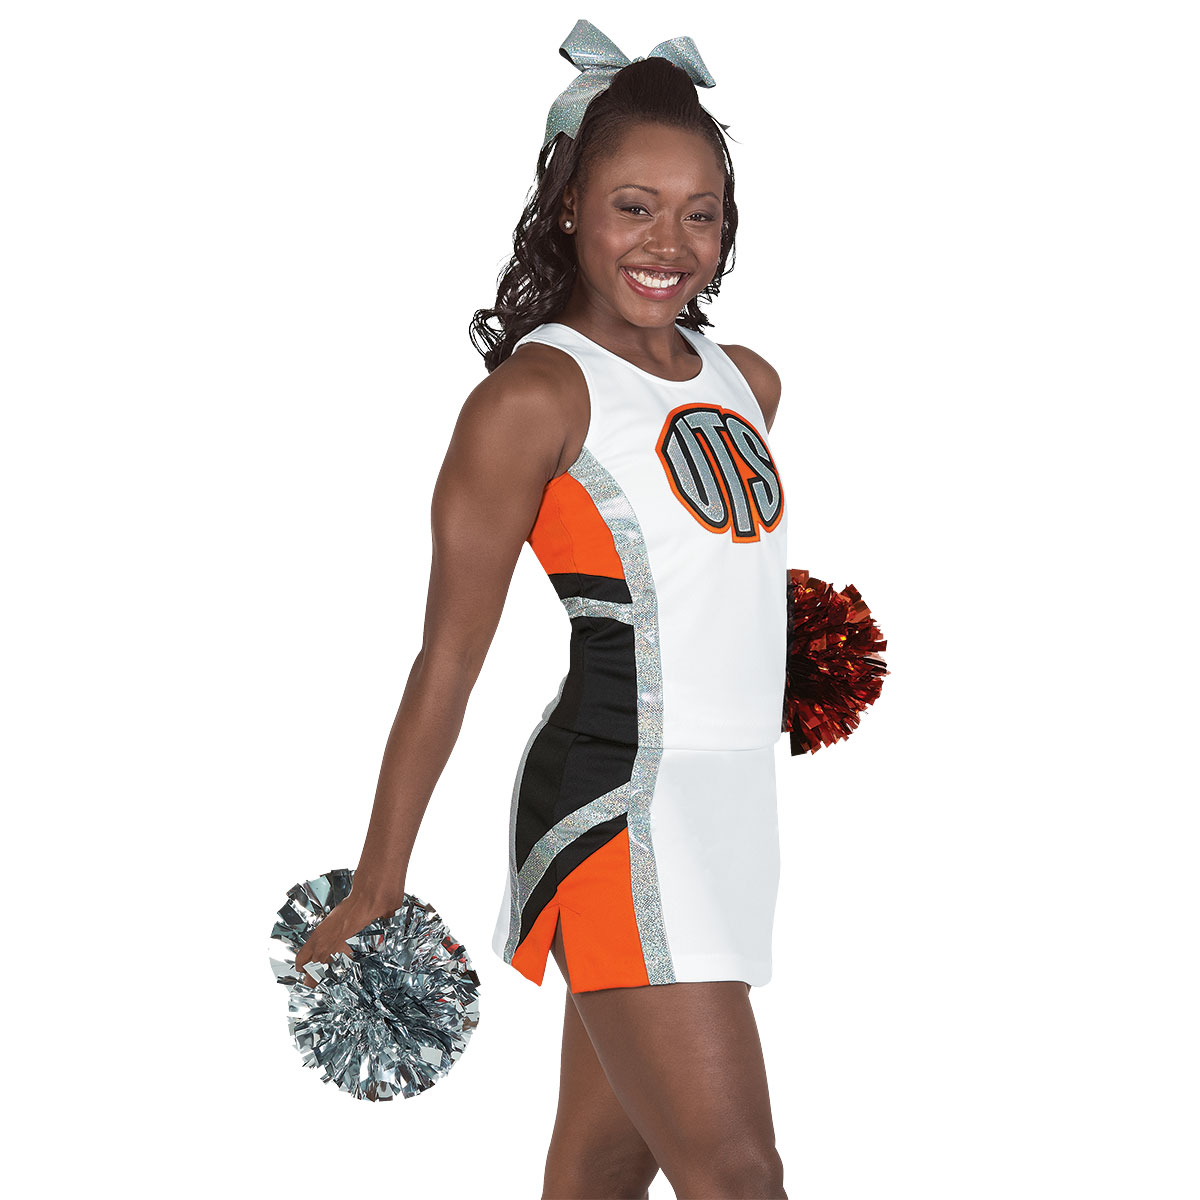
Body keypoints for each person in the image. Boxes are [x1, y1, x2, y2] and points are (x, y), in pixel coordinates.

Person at [296, 22, 789, 1199]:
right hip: (621, 808)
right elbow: (447, 659)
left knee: (601, 1168)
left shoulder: (749, 382)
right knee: (738, 1172)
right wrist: (378, 882)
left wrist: (804, 657)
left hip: (736, 811)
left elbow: (714, 582)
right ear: (569, 206)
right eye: (634, 207)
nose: (669, 242)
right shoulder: (534, 396)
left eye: (701, 213)